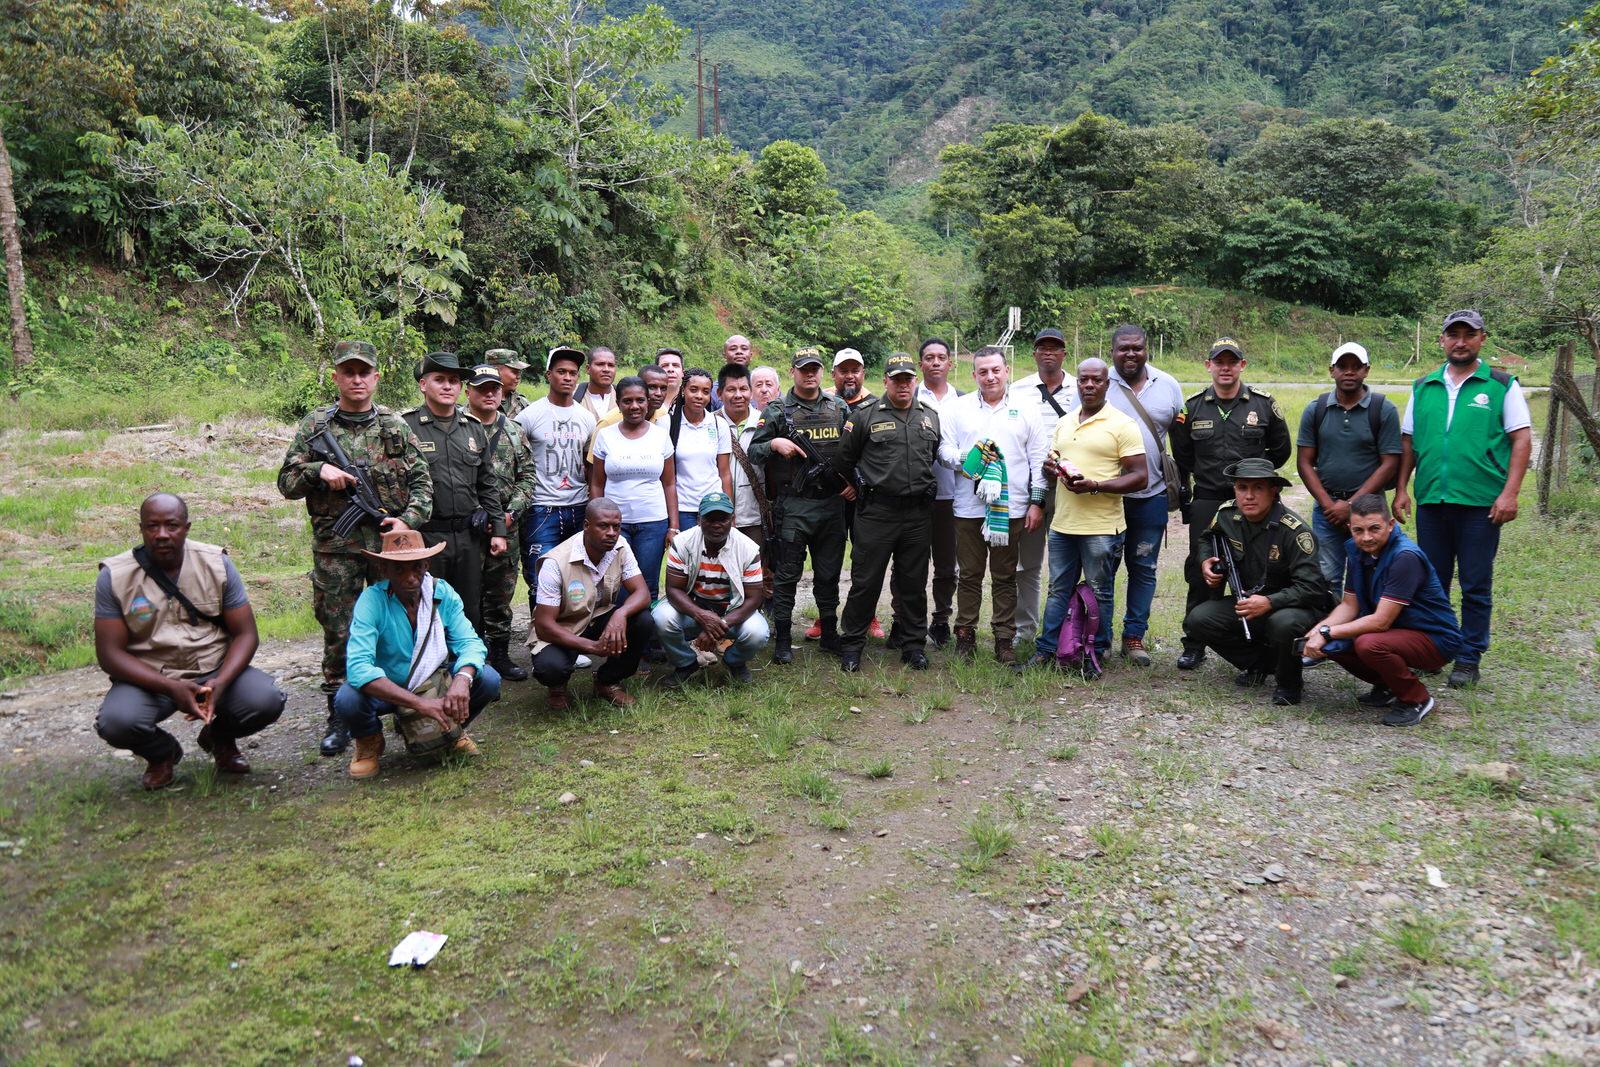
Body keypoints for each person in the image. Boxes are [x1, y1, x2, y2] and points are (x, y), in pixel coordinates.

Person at [278, 338, 432, 757]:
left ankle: (405, 706)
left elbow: (423, 483)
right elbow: (286, 484)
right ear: (336, 377)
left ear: (376, 378)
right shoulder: (315, 427)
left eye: (364, 372)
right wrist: (317, 469)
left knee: (399, 624)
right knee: (340, 629)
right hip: (337, 547)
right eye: (349, 372)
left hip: (388, 546)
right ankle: (341, 714)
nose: (357, 379)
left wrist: (407, 521)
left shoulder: (395, 426)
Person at [94, 494, 286, 789]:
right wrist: (171, 687)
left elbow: (246, 634)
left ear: (186, 527)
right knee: (117, 722)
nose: (161, 535)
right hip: (152, 676)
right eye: (151, 527)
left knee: (265, 700)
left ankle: (219, 739)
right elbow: (109, 654)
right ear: (141, 528)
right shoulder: (115, 576)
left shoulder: (217, 564)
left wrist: (221, 682)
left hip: (212, 668)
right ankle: (162, 753)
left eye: (171, 525)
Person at [1394, 310, 1532, 689]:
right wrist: (1403, 488)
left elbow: (1521, 439)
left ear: (1482, 339)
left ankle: (1469, 657)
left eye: (1468, 335)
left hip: (1480, 504)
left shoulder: (1502, 384)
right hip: (1433, 502)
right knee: (1432, 582)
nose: (1460, 341)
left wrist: (1510, 493)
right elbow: (1409, 442)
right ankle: (1435, 651)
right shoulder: (1424, 386)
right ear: (1441, 340)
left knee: (1475, 583)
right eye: (1452, 334)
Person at [335, 529, 501, 779]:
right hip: (389, 688)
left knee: (487, 679)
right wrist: (419, 704)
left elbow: (470, 643)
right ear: (384, 570)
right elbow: (358, 667)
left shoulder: (441, 592)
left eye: (416, 568)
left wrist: (462, 680)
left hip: (432, 684)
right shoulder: (371, 601)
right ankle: (369, 742)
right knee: (348, 698)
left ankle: (452, 731)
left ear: (427, 565)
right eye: (399, 570)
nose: (411, 578)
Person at [1170, 338, 1291, 670]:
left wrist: (1255, 483)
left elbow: (1280, 451)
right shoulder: (1192, 408)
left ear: (1242, 365)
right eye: (1218, 362)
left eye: (1231, 361)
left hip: (1252, 501)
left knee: (1258, 566)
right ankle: (1194, 642)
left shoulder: (1263, 406)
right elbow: (1182, 453)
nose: (1225, 367)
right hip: (1209, 499)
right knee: (1202, 569)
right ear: (1208, 366)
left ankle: (1258, 635)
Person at [1302, 494, 1463, 727]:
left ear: (1390, 525)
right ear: (1349, 529)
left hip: (1434, 639)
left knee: (1368, 643)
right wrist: (1318, 631)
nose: (1366, 537)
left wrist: (1329, 631)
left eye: (1374, 528)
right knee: (1331, 640)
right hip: (1395, 632)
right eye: (1358, 530)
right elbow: (1349, 605)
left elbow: (1380, 622)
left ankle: (1417, 699)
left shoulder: (1405, 557)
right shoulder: (1356, 551)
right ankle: (1389, 686)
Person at [1183, 459, 1331, 706]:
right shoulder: (1227, 514)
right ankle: (1263, 664)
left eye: (1258, 488)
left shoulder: (1294, 531)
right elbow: (1206, 538)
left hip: (1295, 606)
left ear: (1274, 492)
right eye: (1242, 488)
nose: (1249, 496)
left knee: (1282, 623)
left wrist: (1270, 602)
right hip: (1249, 600)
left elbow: (1313, 588)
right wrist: (1206, 560)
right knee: (1199, 619)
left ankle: (1289, 682)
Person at [1032, 358, 1147, 675]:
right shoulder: (1065, 423)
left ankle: (1094, 653)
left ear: (1107, 384)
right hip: (1063, 524)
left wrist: (1096, 486)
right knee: (1057, 590)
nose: (1089, 385)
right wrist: (1050, 470)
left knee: (1100, 591)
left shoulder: (1123, 424)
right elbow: (1054, 467)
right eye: (1084, 380)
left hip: (1101, 527)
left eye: (1097, 380)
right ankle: (1046, 651)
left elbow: (1140, 476)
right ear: (1078, 383)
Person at [937, 346, 1049, 663]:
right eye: (983, 372)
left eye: (996, 370)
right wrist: (970, 459)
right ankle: (965, 636)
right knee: (969, 575)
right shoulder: (957, 409)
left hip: (1011, 509)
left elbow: (1038, 458)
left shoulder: (1027, 408)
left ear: (1006, 371)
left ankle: (1004, 639)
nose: (990, 377)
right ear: (974, 375)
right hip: (968, 508)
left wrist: (1036, 503)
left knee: (1005, 577)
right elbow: (944, 451)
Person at [833, 353, 943, 672]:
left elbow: (933, 456)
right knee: (865, 582)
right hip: (877, 513)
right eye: (896, 379)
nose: (903, 384)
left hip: (917, 515)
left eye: (908, 379)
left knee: (913, 583)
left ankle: (913, 646)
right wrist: (852, 487)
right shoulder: (866, 416)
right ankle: (852, 645)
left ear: (915, 381)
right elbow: (843, 461)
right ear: (885, 382)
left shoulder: (930, 417)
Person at [747, 347, 855, 663]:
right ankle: (783, 638)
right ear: (793, 372)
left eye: (815, 369)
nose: (810, 374)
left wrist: (851, 483)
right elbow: (754, 451)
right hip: (794, 506)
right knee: (787, 574)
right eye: (803, 369)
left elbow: (852, 450)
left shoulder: (838, 407)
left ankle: (830, 634)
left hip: (830, 507)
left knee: (829, 573)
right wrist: (774, 443)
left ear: (822, 372)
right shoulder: (778, 410)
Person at [402, 352, 507, 640]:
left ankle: (470, 670)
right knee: (426, 604)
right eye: (440, 380)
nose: (448, 386)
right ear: (424, 385)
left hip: (468, 536)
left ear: (461, 388)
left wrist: (499, 531)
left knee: (469, 606)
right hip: (426, 537)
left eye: (453, 381)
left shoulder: (472, 427)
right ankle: (430, 672)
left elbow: (487, 484)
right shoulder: (405, 426)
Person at [1101, 324, 1184, 667]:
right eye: (1123, 348)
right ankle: (1099, 638)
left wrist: (1184, 482)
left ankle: (1134, 636)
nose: (1130, 354)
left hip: (1151, 496)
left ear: (1147, 348)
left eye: (1137, 347)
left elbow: (1180, 434)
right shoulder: (1098, 381)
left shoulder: (1168, 385)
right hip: (1106, 496)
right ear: (1112, 351)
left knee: (1144, 567)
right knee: (1102, 568)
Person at [1296, 341, 1402, 597]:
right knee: (1326, 577)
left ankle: (1367, 633)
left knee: (1373, 574)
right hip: (1327, 509)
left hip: (1370, 509)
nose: (1349, 372)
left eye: (1357, 366)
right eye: (1343, 366)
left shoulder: (1382, 409)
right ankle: (1331, 633)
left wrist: (1352, 505)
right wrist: (1329, 505)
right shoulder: (1316, 409)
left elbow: (1390, 462)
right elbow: (1304, 462)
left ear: (1367, 370)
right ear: (1332, 370)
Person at [530, 497, 655, 708]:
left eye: (617, 527)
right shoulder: (554, 563)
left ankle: (607, 681)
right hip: (563, 628)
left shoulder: (621, 547)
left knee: (643, 621)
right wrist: (591, 646)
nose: (612, 533)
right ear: (586, 526)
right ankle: (557, 685)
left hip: (598, 620)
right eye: (603, 526)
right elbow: (544, 627)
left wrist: (620, 615)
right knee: (550, 668)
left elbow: (642, 593)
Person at [464, 364, 538, 682]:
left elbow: (528, 476)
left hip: (505, 526)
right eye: (482, 388)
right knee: (466, 592)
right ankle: (469, 655)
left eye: (495, 388)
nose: (490, 393)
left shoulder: (513, 429)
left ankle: (499, 654)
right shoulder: (456, 426)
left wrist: (511, 513)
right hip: (466, 527)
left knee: (501, 592)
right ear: (469, 391)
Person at [809, 346, 884, 643]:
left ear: (864, 373)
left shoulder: (876, 404)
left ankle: (868, 615)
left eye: (855, 370)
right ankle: (824, 615)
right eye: (844, 370)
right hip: (830, 492)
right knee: (826, 559)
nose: (850, 375)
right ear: (834, 373)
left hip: (864, 494)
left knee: (866, 558)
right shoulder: (823, 402)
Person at [654, 492, 768, 687]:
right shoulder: (682, 542)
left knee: (757, 632)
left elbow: (754, 598)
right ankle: (686, 663)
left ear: (732, 520)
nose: (717, 525)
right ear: (699, 519)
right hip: (693, 608)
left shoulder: (747, 548)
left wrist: (718, 624)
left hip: (733, 611)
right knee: (661, 617)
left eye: (723, 519)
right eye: (710, 519)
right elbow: (673, 589)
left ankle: (735, 662)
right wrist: (702, 616)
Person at [516, 346, 597, 620]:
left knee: (576, 578)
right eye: (561, 372)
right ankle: (541, 642)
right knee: (540, 578)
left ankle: (572, 638)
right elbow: (514, 458)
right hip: (541, 508)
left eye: (573, 373)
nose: (568, 378)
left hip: (578, 506)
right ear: (549, 375)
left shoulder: (586, 418)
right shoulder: (529, 416)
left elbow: (590, 464)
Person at [590, 375, 678, 610]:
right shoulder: (606, 436)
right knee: (615, 584)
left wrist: (673, 526)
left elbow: (669, 482)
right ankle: (616, 640)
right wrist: (595, 522)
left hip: (653, 523)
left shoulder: (660, 436)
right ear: (618, 403)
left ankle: (645, 642)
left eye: (640, 400)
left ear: (648, 402)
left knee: (647, 583)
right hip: (614, 525)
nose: (634, 406)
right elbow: (597, 483)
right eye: (627, 401)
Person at [1013, 328, 1072, 651]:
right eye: (1042, 348)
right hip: (1030, 488)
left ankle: (1066, 628)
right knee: (1028, 564)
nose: (1048, 352)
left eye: (1055, 348)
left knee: (1066, 565)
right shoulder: (1019, 390)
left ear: (1064, 353)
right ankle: (1025, 628)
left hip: (1069, 487)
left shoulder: (1079, 387)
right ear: (1034, 353)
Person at [917, 338, 962, 648]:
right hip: (916, 495)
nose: (935, 362)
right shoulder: (908, 394)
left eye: (941, 357)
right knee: (911, 563)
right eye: (929, 357)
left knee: (947, 565)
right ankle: (906, 621)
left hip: (951, 495)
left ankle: (942, 619)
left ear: (950, 364)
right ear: (920, 364)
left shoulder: (963, 403)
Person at [717, 363, 771, 598]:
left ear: (750, 391)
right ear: (719, 393)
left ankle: (755, 620)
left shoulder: (764, 423)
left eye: (743, 389)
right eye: (731, 390)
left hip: (755, 513)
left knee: (755, 570)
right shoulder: (711, 423)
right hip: (719, 513)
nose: (738, 395)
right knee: (719, 571)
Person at [666, 366, 733, 531]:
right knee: (689, 556)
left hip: (714, 505)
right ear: (683, 391)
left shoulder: (719, 424)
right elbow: (666, 478)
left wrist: (730, 512)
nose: (699, 396)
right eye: (693, 390)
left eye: (705, 391)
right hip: (683, 508)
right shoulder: (667, 424)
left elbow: (724, 473)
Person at [484, 348, 532, 418]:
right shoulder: (480, 403)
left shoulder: (522, 402)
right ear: (496, 371)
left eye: (519, 372)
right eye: (514, 372)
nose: (518, 377)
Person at [575, 344, 618, 422]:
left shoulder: (624, 397)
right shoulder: (573, 395)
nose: (606, 369)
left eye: (611, 365)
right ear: (588, 369)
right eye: (600, 364)